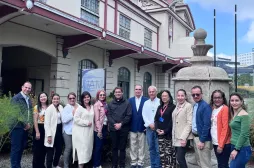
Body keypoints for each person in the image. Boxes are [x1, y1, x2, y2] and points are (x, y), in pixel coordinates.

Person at [107, 87, 132, 168]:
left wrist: (121, 124)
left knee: (122, 148)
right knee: (114, 147)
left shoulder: (127, 103)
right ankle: (114, 165)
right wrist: (115, 124)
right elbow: (109, 115)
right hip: (113, 129)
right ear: (114, 93)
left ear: (122, 93)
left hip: (123, 129)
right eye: (116, 92)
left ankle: (122, 165)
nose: (118, 93)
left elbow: (129, 115)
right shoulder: (110, 103)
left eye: (119, 92)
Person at [10, 81, 33, 168]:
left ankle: (17, 165)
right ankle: (15, 166)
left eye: (29, 88)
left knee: (21, 148)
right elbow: (16, 113)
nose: (27, 89)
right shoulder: (16, 98)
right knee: (16, 149)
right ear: (22, 87)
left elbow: (30, 113)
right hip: (17, 127)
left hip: (25, 127)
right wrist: (25, 123)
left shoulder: (28, 99)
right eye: (26, 87)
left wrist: (29, 123)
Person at [191, 85, 212, 168]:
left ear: (201, 94)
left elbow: (207, 125)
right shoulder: (195, 105)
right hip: (196, 137)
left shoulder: (205, 106)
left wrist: (202, 140)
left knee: (205, 164)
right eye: (193, 95)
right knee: (199, 162)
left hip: (202, 139)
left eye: (197, 94)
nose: (195, 96)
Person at [229, 93, 251, 168]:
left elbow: (244, 134)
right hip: (234, 145)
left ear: (241, 102)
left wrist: (236, 149)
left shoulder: (244, 115)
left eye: (237, 100)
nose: (234, 103)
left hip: (242, 148)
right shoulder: (235, 113)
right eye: (232, 100)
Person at [154, 90, 176, 168]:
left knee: (169, 154)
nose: (164, 97)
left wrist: (165, 131)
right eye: (162, 96)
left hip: (168, 135)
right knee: (162, 153)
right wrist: (156, 129)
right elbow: (156, 119)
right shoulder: (159, 107)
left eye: (165, 96)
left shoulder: (173, 107)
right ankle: (164, 166)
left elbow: (172, 121)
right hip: (159, 134)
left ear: (169, 97)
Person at [73, 91, 94, 168]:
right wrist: (86, 122)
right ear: (82, 99)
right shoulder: (80, 108)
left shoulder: (92, 107)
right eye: (85, 97)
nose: (86, 98)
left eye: (88, 97)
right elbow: (76, 119)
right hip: (82, 133)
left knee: (87, 151)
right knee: (82, 152)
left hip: (90, 133)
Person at [172, 89, 193, 168]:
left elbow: (189, 123)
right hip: (176, 136)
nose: (180, 97)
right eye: (178, 95)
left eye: (182, 96)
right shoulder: (176, 105)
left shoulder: (188, 106)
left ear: (185, 97)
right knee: (178, 158)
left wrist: (184, 138)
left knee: (180, 158)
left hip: (183, 137)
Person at [210, 90, 231, 168]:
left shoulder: (225, 109)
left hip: (223, 143)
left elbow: (226, 129)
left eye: (219, 97)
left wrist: (221, 145)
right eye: (215, 98)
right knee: (222, 164)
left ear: (223, 98)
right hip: (215, 142)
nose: (217, 99)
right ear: (212, 99)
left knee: (222, 165)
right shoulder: (213, 109)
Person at [128, 85, 148, 168]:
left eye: (139, 89)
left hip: (142, 126)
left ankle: (140, 162)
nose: (138, 91)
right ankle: (133, 162)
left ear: (142, 90)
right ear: (134, 90)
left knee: (141, 146)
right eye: (136, 89)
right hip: (132, 126)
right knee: (132, 145)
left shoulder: (146, 100)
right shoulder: (130, 100)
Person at [142, 86, 161, 168]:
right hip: (149, 128)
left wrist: (156, 124)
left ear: (156, 92)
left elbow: (162, 116)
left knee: (158, 149)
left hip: (158, 129)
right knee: (151, 148)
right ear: (148, 92)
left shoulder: (160, 102)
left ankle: (158, 165)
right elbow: (144, 115)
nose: (151, 93)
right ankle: (153, 165)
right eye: (150, 92)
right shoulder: (146, 103)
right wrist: (150, 124)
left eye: (153, 91)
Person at [44, 93, 63, 168]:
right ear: (52, 100)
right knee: (50, 151)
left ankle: (55, 164)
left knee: (59, 150)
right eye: (54, 99)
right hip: (52, 132)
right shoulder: (49, 109)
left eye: (57, 99)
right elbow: (46, 123)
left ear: (59, 100)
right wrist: (49, 135)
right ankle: (49, 166)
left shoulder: (61, 107)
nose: (56, 100)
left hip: (59, 130)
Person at [61, 92, 79, 168]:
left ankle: (73, 164)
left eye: (73, 98)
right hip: (67, 131)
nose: (72, 99)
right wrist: (72, 114)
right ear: (68, 99)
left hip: (76, 131)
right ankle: (66, 165)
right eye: (70, 98)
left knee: (75, 149)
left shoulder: (78, 106)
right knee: (68, 148)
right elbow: (64, 120)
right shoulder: (66, 108)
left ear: (75, 98)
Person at [32, 92, 49, 168]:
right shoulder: (36, 107)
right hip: (39, 128)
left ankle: (42, 165)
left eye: (44, 96)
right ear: (39, 99)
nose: (43, 98)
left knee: (44, 149)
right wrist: (37, 132)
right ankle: (35, 166)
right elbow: (35, 120)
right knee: (37, 150)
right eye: (41, 97)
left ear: (47, 97)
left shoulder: (50, 107)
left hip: (47, 129)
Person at [92, 90, 108, 168]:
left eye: (103, 95)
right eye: (100, 95)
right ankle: (96, 165)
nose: (102, 96)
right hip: (99, 129)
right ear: (98, 96)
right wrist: (99, 130)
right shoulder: (97, 105)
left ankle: (98, 163)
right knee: (98, 148)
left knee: (101, 147)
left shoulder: (105, 104)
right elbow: (97, 119)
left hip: (105, 127)